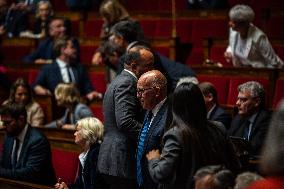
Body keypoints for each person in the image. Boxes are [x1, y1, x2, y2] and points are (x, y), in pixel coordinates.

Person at [146, 83, 240, 189]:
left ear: (175, 106)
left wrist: (153, 160)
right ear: (200, 103)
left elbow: (161, 174)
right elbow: (234, 164)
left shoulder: (175, 135)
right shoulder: (219, 127)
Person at [97, 46, 154, 189]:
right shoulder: (128, 83)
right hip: (121, 159)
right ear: (134, 66)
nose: (152, 70)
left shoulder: (118, 80)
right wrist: (150, 134)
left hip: (113, 158)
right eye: (148, 66)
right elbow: (125, 121)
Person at [0, 103, 56, 185]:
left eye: (7, 122)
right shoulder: (9, 136)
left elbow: (29, 173)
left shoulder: (38, 140)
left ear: (21, 120)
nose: (4, 126)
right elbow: (4, 162)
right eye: (3, 122)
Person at [33, 36, 102, 101]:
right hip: (56, 107)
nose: (75, 50)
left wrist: (91, 93)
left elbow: (88, 89)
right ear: (63, 50)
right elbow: (37, 86)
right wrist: (43, 91)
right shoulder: (48, 69)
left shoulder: (79, 68)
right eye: (72, 47)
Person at [136, 70, 168, 189]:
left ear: (157, 91)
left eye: (141, 91)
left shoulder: (169, 117)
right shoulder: (149, 109)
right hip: (143, 180)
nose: (138, 95)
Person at [55, 117, 106, 189]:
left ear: (87, 133)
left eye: (77, 130)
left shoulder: (96, 153)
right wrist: (67, 187)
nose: (74, 134)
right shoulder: (86, 153)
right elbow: (80, 186)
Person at [228, 81, 271, 159]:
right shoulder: (237, 119)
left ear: (257, 101)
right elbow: (228, 142)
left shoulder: (267, 121)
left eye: (243, 100)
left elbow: (255, 149)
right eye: (238, 99)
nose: (237, 103)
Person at [247, 99, 284, 189]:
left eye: (243, 100)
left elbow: (255, 145)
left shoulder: (263, 187)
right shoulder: (239, 119)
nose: (237, 103)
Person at [92, 0, 133, 65]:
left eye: (106, 16)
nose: (104, 19)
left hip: (127, 62)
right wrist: (99, 52)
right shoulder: (106, 24)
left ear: (114, 13)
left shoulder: (128, 24)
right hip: (111, 63)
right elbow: (103, 42)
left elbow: (129, 45)